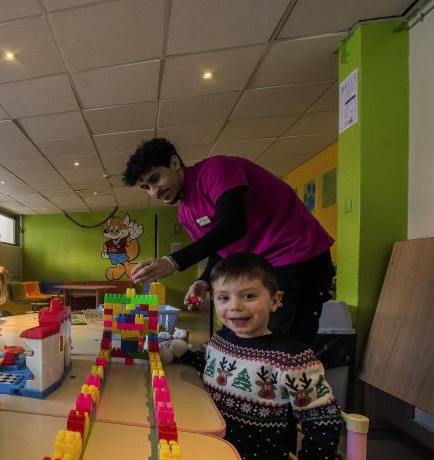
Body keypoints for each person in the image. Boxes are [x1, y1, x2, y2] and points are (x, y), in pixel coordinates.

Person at [125, 138, 335, 345]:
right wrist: (203, 281)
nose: (154, 191)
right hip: (258, 272)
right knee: (235, 340)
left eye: (155, 179)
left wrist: (172, 262)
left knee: (281, 345)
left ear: (174, 163)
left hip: (298, 257)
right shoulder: (185, 213)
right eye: (146, 187)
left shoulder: (215, 170)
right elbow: (220, 247)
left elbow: (234, 224)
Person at [202, 253, 341, 460]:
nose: (235, 307)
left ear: (276, 300)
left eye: (249, 296)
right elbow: (210, 365)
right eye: (223, 298)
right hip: (212, 449)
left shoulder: (292, 358)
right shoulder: (221, 339)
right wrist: (180, 354)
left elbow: (324, 421)